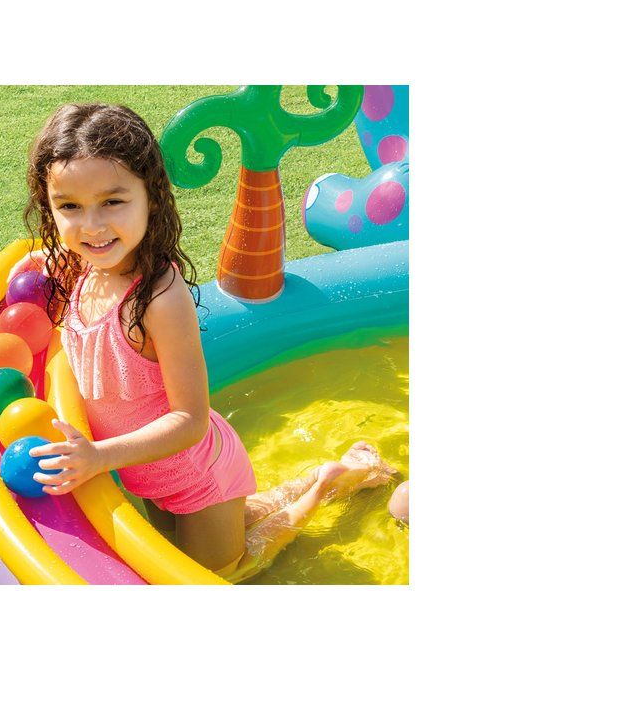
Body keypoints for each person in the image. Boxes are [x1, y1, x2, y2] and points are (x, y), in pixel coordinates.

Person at [21, 103, 395, 583]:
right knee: (202, 540)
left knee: (226, 572)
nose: (91, 225)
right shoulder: (82, 268)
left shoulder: (158, 299)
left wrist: (99, 457)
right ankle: (327, 474)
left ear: (151, 197)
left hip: (195, 476)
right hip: (146, 468)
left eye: (112, 202)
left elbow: (190, 421)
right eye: (70, 206)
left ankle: (323, 486)